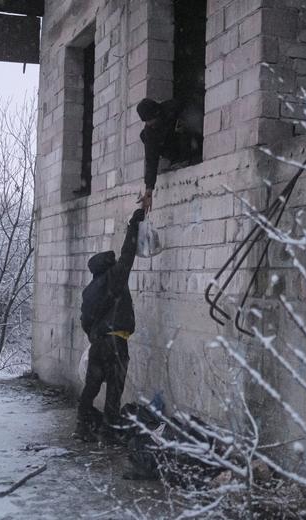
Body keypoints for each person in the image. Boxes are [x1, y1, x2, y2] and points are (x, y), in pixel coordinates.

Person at [75, 208, 146, 442]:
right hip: (116, 343)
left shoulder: (90, 291)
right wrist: (133, 225)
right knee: (114, 390)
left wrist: (95, 337)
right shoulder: (114, 279)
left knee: (91, 387)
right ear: (108, 266)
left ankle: (82, 427)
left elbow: (85, 321)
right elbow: (128, 254)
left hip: (98, 345)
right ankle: (108, 433)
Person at [136, 97, 203, 212]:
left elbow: (192, 105)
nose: (149, 124)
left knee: (183, 123)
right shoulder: (150, 131)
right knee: (144, 136)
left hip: (190, 141)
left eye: (150, 120)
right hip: (173, 148)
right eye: (147, 122)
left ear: (156, 113)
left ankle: (187, 157)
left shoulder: (172, 107)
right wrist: (149, 189)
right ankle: (177, 160)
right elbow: (151, 160)